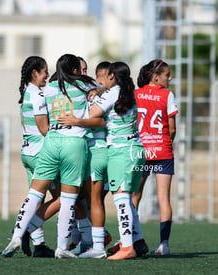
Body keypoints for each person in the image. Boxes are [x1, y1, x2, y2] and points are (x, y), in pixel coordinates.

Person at [2, 53, 98, 259]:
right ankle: (62, 247)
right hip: (73, 143)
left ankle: (18, 235)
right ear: (75, 70)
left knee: (35, 194)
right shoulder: (83, 85)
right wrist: (94, 91)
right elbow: (100, 90)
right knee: (68, 198)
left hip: (50, 143)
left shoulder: (48, 88)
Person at [59, 62, 147, 260]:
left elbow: (93, 114)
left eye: (104, 77)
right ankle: (136, 240)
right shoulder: (128, 91)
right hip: (135, 149)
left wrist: (94, 96)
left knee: (121, 200)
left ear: (112, 77)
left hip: (120, 151)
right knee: (127, 200)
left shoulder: (113, 92)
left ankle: (126, 247)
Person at [132, 59, 178, 255]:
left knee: (134, 195)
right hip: (163, 151)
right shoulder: (167, 95)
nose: (170, 78)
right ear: (155, 76)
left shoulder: (134, 95)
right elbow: (172, 129)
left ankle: (130, 239)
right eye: (167, 74)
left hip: (141, 151)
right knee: (163, 199)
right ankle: (164, 245)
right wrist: (162, 142)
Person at [17, 56, 58, 258]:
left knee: (38, 199)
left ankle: (39, 244)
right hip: (40, 153)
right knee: (64, 197)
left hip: (28, 152)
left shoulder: (27, 92)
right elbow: (44, 129)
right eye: (44, 71)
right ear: (35, 73)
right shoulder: (38, 94)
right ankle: (25, 229)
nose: (47, 75)